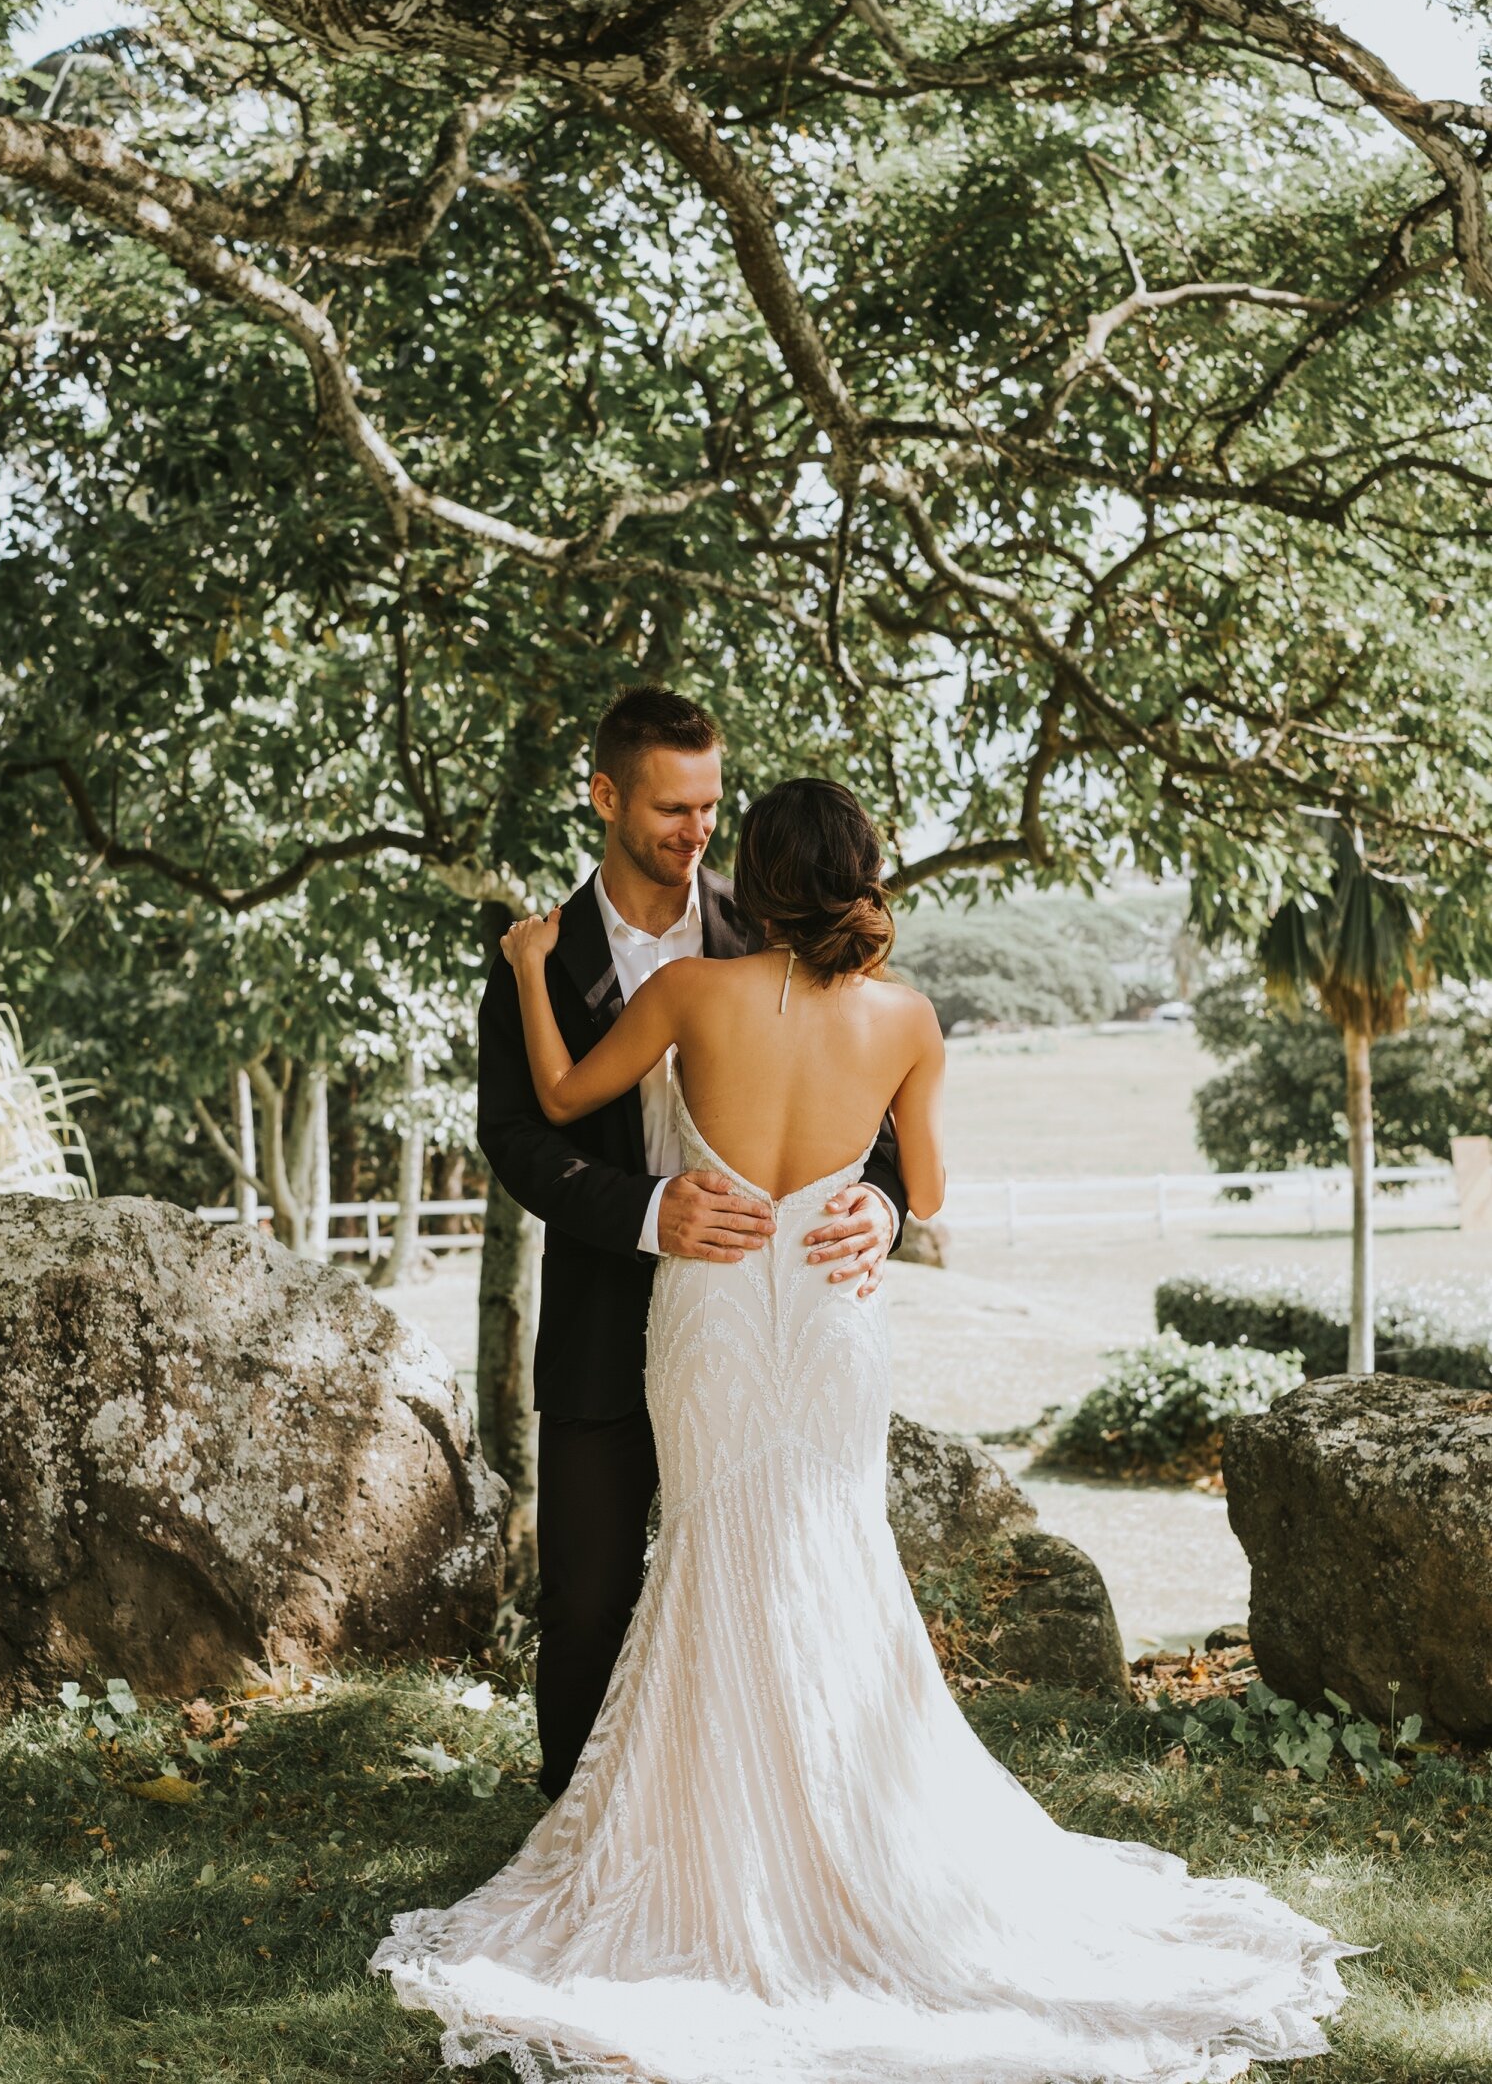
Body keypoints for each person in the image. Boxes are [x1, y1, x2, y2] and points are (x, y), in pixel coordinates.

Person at [372, 776, 1363, 2084]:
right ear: (862, 880)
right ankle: (853, 1833)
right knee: (832, 1550)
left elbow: (558, 1097)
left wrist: (524, 961)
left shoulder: (689, 996)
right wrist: (875, 1200)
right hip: (833, 1314)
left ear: (760, 883)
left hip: (718, 1310)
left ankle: (732, 1851)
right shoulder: (906, 1016)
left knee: (716, 1549)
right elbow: (931, 1186)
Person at [474, 687, 907, 1800]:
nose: (698, 830)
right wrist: (645, 1209)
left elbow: (882, 1109)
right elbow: (519, 1137)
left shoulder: (773, 922)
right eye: (673, 808)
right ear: (606, 797)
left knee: (777, 1580)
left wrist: (884, 1207)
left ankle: (781, 1814)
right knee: (588, 1598)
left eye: (713, 806)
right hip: (607, 1323)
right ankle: (578, 1831)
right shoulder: (536, 955)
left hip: (771, 1323)